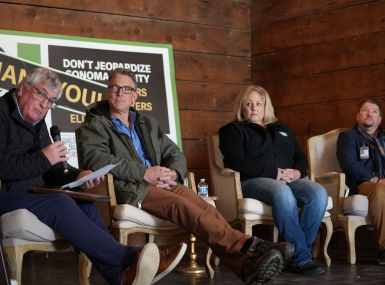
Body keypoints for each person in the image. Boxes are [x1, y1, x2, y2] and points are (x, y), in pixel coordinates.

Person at [77, 68, 295, 285]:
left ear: (135, 96)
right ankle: (253, 246)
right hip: (129, 187)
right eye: (114, 87)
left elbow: (174, 153)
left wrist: (173, 172)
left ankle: (245, 267)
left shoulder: (147, 123)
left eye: (126, 89)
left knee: (205, 207)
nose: (119, 93)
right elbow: (97, 160)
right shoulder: (93, 125)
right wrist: (145, 173)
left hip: (161, 183)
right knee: (185, 207)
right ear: (107, 92)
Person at [0, 67, 186, 285]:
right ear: (23, 88)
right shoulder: (2, 113)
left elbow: (51, 170)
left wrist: (81, 175)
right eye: (41, 94)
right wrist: (44, 157)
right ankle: (129, 258)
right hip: (6, 195)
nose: (44, 105)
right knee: (60, 202)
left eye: (51, 101)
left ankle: (121, 276)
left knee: (86, 205)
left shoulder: (36, 121)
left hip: (32, 194)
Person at [219, 85, 328, 276]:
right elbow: (235, 161)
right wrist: (273, 173)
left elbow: (300, 157)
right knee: (281, 192)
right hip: (254, 180)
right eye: (249, 104)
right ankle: (301, 258)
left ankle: (294, 253)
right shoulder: (233, 129)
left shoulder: (281, 127)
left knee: (318, 193)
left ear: (265, 106)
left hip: (289, 178)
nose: (254, 108)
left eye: (258, 103)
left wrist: (296, 172)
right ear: (242, 108)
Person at [336, 98, 385, 265]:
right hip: (363, 184)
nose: (369, 113)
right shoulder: (348, 136)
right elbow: (349, 163)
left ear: (379, 119)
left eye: (374, 111)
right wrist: (376, 179)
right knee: (379, 190)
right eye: (365, 110)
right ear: (358, 116)